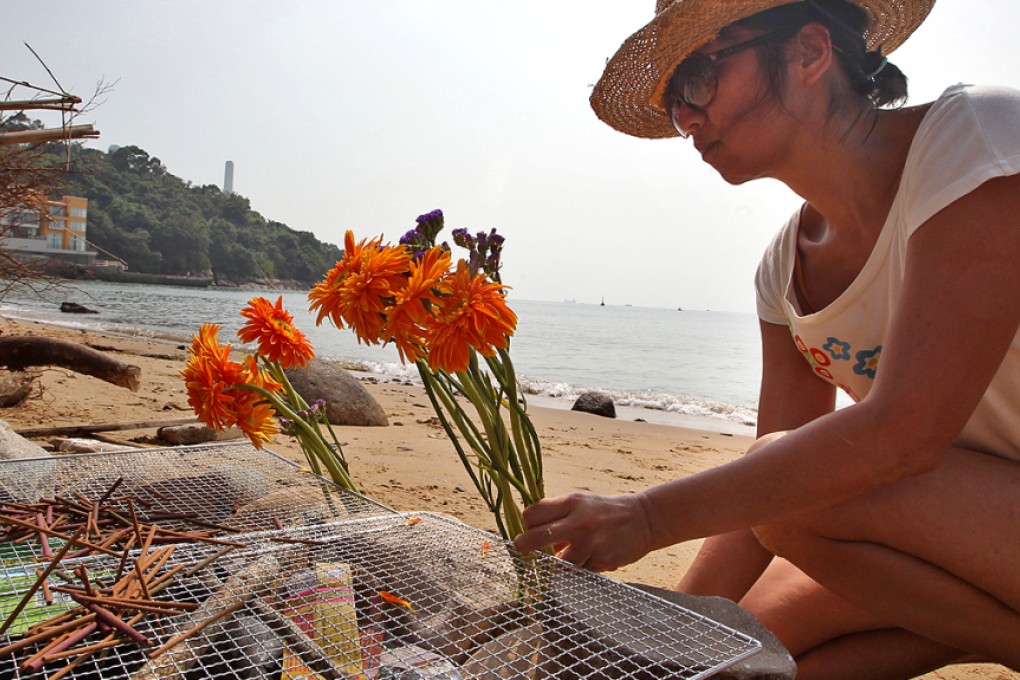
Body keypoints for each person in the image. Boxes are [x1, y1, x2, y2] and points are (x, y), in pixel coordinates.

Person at [512, 0, 1020, 676]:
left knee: (796, 507)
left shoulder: (978, 140)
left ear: (810, 53)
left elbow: (904, 434)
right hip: (961, 534)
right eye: (672, 100)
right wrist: (661, 644)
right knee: (743, 655)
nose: (686, 116)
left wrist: (645, 517)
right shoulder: (784, 274)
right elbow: (765, 492)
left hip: (971, 519)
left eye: (698, 75)